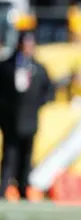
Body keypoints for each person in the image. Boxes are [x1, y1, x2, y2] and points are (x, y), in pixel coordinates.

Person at [0, 30, 54, 200]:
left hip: (30, 119)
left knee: (26, 156)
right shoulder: (6, 66)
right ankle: (4, 187)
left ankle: (23, 188)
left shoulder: (38, 68)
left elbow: (48, 90)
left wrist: (37, 104)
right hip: (10, 119)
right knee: (9, 155)